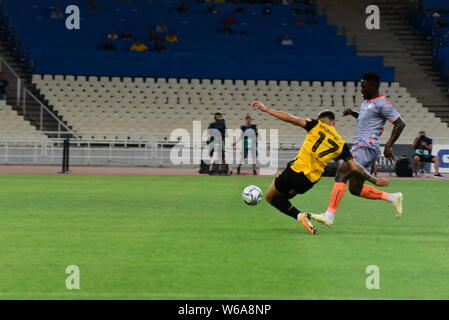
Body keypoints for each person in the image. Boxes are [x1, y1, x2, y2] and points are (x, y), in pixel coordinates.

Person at [250, 101, 388, 235]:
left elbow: (291, 118)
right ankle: (300, 216)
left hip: (296, 170)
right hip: (309, 182)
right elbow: (355, 167)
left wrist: (266, 109)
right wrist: (374, 179)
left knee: (270, 197)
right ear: (333, 123)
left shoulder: (316, 125)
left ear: (322, 120)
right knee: (282, 197)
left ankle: (299, 216)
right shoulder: (342, 144)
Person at [312, 72, 406, 228]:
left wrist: (388, 146)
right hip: (362, 145)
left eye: (364, 87)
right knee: (355, 189)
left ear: (374, 86)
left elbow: (400, 123)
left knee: (341, 174)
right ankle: (392, 198)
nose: (361, 90)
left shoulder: (382, 103)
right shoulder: (366, 103)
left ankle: (329, 215)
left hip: (366, 145)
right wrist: (353, 114)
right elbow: (367, 120)